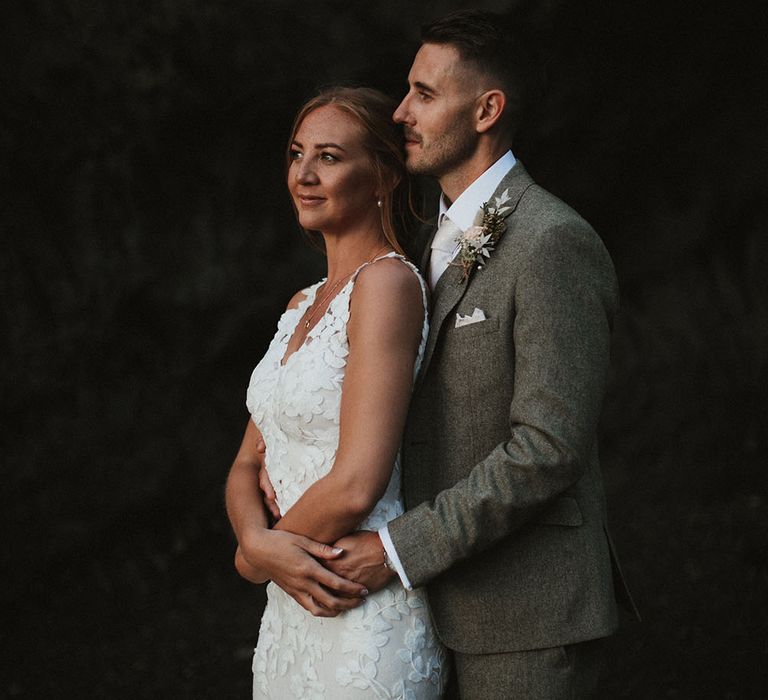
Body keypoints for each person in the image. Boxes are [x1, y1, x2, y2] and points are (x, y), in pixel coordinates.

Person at [256, 10, 639, 699]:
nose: (400, 111)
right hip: (414, 613)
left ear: (487, 109)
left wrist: (398, 550)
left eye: (424, 95)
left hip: (521, 612)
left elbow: (547, 449)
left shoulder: (552, 242)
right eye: (406, 90)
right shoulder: (417, 246)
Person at [225, 86, 448, 698]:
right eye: (298, 154)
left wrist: (256, 560)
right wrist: (255, 544)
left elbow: (356, 483)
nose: (303, 174)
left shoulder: (388, 285)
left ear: (382, 174)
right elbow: (247, 462)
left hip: (358, 610)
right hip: (291, 607)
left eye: (329, 157)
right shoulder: (300, 304)